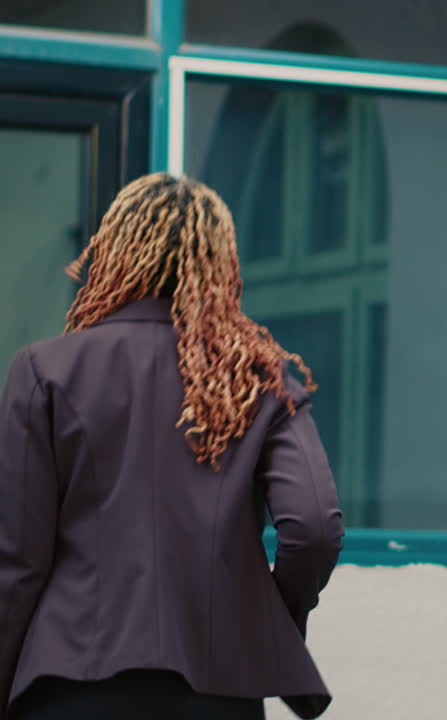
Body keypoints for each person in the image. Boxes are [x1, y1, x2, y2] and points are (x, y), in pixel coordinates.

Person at [0, 174, 344, 720]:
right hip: (217, 694)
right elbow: (315, 528)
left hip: (71, 685)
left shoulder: (47, 369)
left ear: (114, 254)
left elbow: (16, 558)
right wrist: (265, 621)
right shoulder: (259, 376)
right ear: (221, 265)